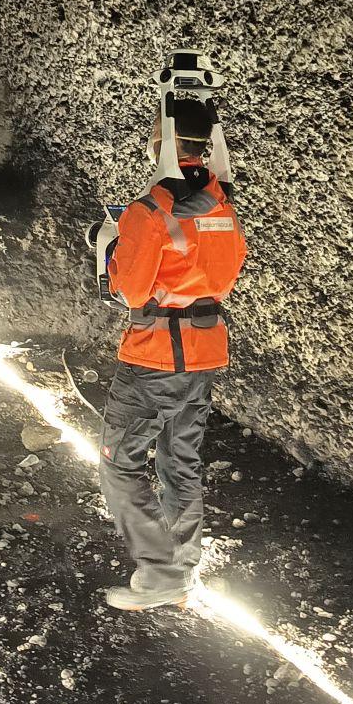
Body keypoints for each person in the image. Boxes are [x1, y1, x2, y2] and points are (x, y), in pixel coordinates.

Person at [97, 97, 247, 610]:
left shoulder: (147, 211)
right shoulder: (222, 205)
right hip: (204, 353)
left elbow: (133, 293)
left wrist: (112, 252)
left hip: (155, 358)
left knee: (118, 466)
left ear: (159, 142)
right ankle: (180, 572)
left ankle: (160, 573)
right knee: (180, 464)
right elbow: (225, 275)